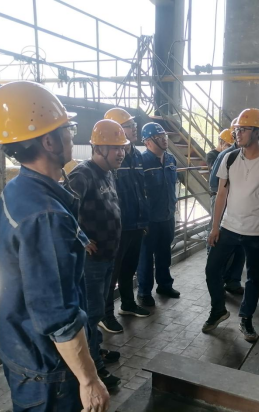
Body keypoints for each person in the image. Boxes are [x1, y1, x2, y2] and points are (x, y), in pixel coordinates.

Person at [0, 81, 110, 412]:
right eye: (67, 129)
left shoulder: (17, 189)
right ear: (48, 141)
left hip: (21, 348)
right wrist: (89, 380)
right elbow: (58, 315)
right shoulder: (46, 215)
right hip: (48, 369)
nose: (71, 136)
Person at [203, 108, 259, 342]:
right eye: (237, 130)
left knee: (253, 278)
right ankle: (218, 310)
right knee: (212, 269)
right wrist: (215, 227)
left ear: (257, 132)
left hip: (257, 231)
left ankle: (246, 318)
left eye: (243, 130)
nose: (237, 134)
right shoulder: (229, 159)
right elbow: (221, 194)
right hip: (228, 228)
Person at [67, 119, 128, 389]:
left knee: (99, 310)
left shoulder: (108, 173)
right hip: (91, 261)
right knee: (91, 314)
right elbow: (64, 211)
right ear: (98, 148)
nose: (121, 153)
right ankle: (94, 369)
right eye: (115, 148)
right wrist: (81, 239)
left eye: (122, 148)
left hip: (108, 254)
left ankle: (96, 349)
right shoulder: (82, 175)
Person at [99, 108, 151, 334]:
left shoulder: (137, 155)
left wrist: (144, 220)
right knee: (111, 273)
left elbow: (142, 190)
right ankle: (105, 314)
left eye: (133, 125)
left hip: (136, 223)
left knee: (129, 268)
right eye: (129, 126)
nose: (134, 128)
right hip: (118, 227)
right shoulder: (108, 161)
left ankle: (128, 304)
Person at [137, 122, 181, 307]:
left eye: (165, 136)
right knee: (146, 257)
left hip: (167, 216)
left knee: (164, 253)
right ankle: (144, 292)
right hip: (150, 220)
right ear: (147, 142)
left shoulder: (171, 159)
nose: (164, 140)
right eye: (159, 137)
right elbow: (138, 193)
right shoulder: (141, 162)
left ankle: (164, 285)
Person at [207, 120, 246, 295]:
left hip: (241, 209)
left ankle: (233, 280)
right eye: (239, 130)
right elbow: (214, 183)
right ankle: (219, 278)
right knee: (221, 241)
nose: (241, 134)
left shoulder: (253, 157)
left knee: (240, 245)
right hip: (225, 204)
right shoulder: (227, 156)